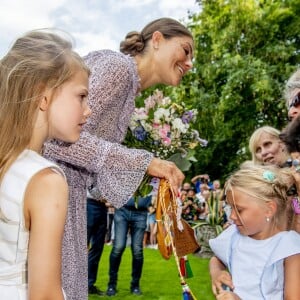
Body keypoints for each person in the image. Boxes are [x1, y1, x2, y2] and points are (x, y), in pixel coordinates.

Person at [43, 17, 192, 299]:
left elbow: (88, 155)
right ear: (157, 40)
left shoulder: (128, 88)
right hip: (50, 197)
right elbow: (57, 138)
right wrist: (146, 162)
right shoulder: (118, 69)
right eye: (185, 50)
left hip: (66, 200)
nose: (189, 63)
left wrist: (144, 177)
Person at [0, 30, 91, 299]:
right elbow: (44, 295)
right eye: (81, 96)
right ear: (43, 96)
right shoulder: (45, 180)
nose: (88, 110)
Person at [209, 162, 300, 299]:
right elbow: (216, 259)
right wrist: (217, 273)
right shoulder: (234, 235)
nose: (232, 216)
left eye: (239, 210)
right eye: (230, 208)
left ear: (269, 209)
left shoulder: (288, 246)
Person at [107, 195, 152, 296]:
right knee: (118, 247)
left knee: (137, 250)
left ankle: (135, 286)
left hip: (141, 212)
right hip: (122, 210)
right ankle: (111, 285)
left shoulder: (152, 178)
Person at [86, 187, 109, 295]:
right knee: (82, 246)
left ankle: (89, 284)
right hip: (88, 204)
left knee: (97, 248)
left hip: (103, 207)